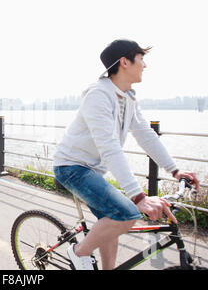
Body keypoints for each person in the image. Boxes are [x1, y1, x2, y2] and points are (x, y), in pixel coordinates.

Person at [53, 39, 200, 270]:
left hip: (92, 170)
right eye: (141, 59)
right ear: (124, 62)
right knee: (126, 213)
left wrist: (175, 170)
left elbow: (145, 135)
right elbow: (109, 147)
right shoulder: (98, 95)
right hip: (72, 168)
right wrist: (139, 198)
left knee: (113, 220)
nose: (145, 65)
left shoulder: (128, 96)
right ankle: (78, 251)